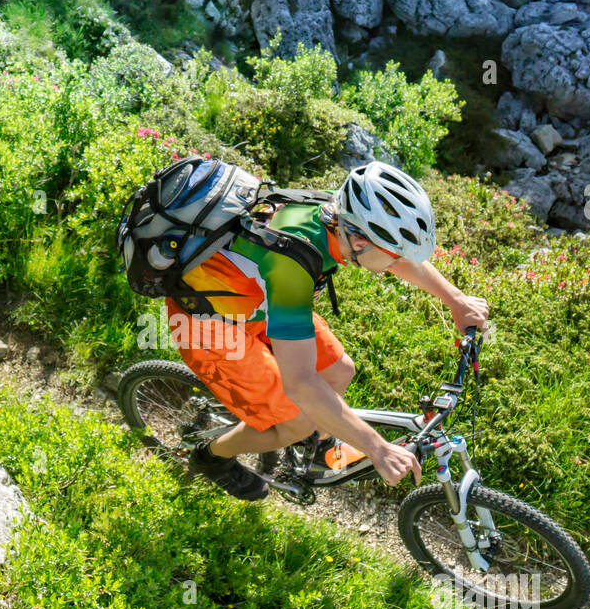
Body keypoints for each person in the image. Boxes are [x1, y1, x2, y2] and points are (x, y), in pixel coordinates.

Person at [171, 161, 490, 500]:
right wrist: (377, 447)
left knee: (339, 371)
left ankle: (316, 446)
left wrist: (455, 300)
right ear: (359, 240)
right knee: (298, 422)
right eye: (393, 254)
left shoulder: (335, 216)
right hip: (212, 325)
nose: (397, 262)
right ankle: (212, 456)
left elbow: (396, 258)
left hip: (257, 300)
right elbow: (301, 383)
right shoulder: (291, 265)